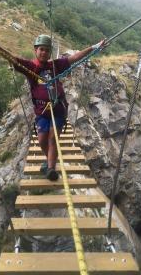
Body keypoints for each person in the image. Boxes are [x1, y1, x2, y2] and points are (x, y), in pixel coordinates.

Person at [14, 34, 104, 181]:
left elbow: (75, 58)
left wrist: (94, 47)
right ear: (35, 50)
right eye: (41, 49)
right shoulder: (31, 67)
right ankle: (49, 159)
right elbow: (13, 59)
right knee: (42, 139)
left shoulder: (55, 65)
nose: (44, 52)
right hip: (42, 111)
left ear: (50, 52)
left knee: (53, 139)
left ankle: (51, 169)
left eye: (47, 50)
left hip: (58, 109)